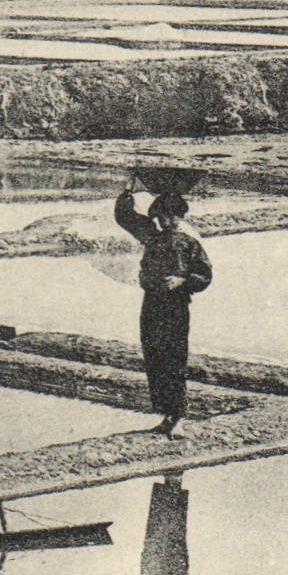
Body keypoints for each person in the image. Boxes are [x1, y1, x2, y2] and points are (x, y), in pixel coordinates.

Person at [114, 179, 213, 436]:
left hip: (175, 306)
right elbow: (125, 217)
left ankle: (178, 416)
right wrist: (128, 191)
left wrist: (183, 281)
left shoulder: (189, 243)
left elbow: (204, 275)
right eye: (160, 218)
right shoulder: (152, 237)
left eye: (168, 217)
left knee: (174, 358)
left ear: (177, 217)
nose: (164, 222)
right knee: (154, 357)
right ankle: (167, 414)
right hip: (152, 304)